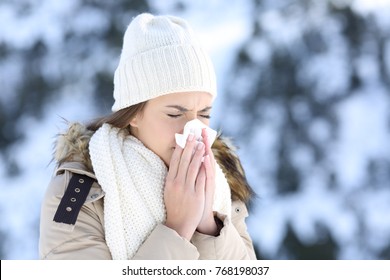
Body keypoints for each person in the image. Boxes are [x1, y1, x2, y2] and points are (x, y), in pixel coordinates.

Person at [39, 13, 257, 260]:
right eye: (175, 114)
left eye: (204, 113)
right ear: (134, 114)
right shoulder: (78, 192)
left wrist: (208, 223)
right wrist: (177, 228)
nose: (193, 130)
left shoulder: (219, 180)